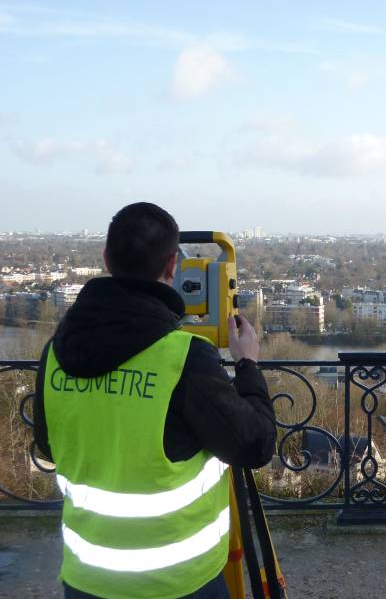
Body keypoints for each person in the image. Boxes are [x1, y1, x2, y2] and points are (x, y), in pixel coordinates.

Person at [33, 202, 277, 599]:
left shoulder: (56, 352)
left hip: (88, 578)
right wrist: (247, 363)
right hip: (178, 581)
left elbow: (48, 444)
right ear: (171, 266)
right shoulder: (184, 359)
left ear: (106, 258)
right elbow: (256, 444)